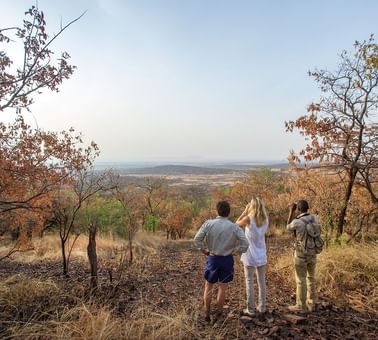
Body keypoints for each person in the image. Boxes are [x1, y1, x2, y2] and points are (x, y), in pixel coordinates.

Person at [194, 200, 249, 322]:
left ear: (216, 211)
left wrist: (204, 250)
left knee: (208, 286)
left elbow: (197, 239)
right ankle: (219, 314)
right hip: (227, 260)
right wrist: (236, 251)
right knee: (222, 288)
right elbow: (245, 243)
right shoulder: (234, 227)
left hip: (213, 258)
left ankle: (207, 313)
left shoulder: (208, 224)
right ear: (228, 213)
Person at [236, 197, 269, 317]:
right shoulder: (266, 219)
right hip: (261, 254)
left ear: (252, 206)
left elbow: (235, 225)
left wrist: (244, 211)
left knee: (249, 281)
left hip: (249, 255)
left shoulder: (248, 218)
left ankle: (251, 309)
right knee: (261, 281)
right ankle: (262, 307)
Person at [286, 199, 319, 313]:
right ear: (307, 208)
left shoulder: (297, 222)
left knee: (301, 280)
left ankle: (301, 306)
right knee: (311, 277)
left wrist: (291, 210)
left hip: (301, 254)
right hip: (313, 252)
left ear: (298, 209)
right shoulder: (314, 218)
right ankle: (312, 302)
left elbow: (288, 227)